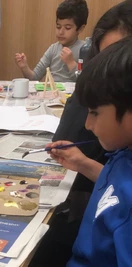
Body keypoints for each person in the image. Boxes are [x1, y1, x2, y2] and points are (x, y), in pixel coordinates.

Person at [47, 36, 132, 266]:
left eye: (94, 112)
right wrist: (82, 163)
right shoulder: (124, 153)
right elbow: (115, 182)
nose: (87, 124)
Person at [15, 0, 88, 82]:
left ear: (81, 29)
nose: (61, 32)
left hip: (73, 94)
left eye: (67, 28)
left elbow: (86, 82)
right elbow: (34, 78)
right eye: (58, 27)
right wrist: (24, 67)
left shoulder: (85, 50)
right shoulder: (53, 49)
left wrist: (71, 63)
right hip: (53, 93)